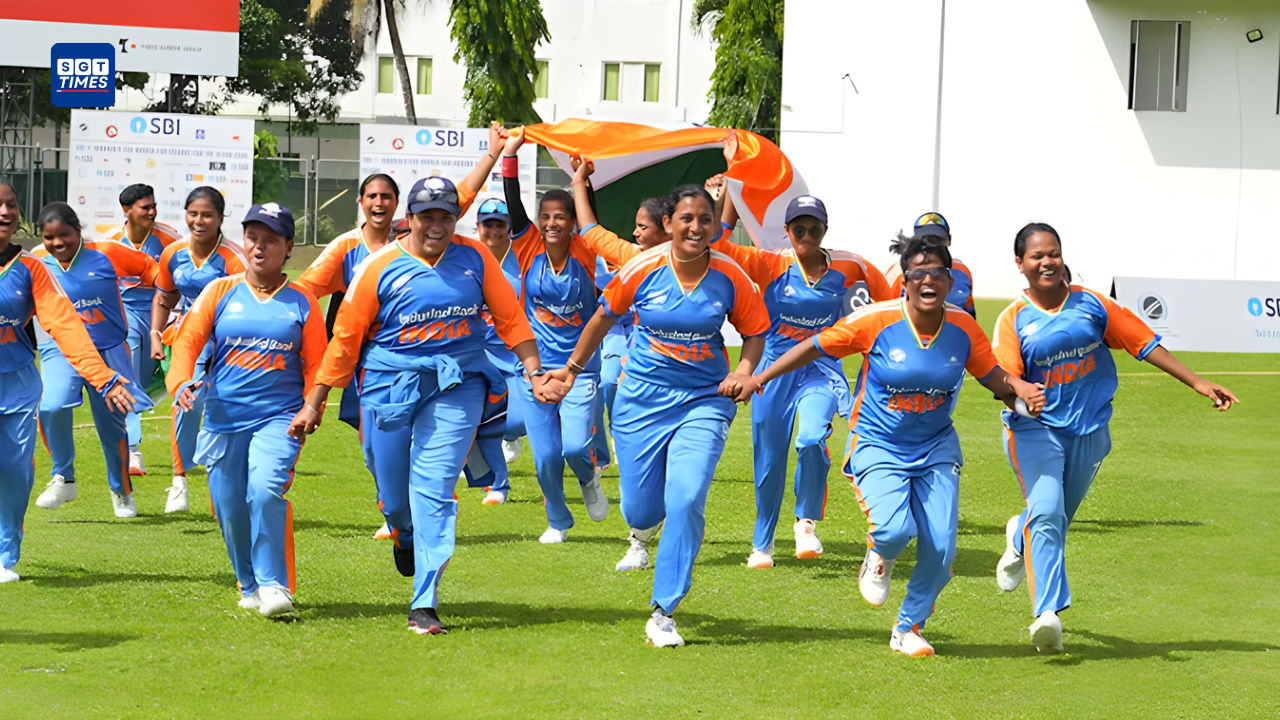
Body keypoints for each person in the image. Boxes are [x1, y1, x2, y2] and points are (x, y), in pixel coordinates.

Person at [740, 236, 1045, 658]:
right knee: (895, 528)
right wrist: (760, 377)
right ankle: (878, 554)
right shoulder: (875, 320)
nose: (928, 279)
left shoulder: (963, 329)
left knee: (941, 550)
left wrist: (1018, 389)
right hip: (878, 444)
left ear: (949, 279)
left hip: (936, 447)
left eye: (938, 272)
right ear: (904, 280)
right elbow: (814, 346)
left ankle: (908, 628)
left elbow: (991, 375)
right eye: (918, 271)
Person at [292, 176, 547, 635]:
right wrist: (316, 401)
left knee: (434, 488)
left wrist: (534, 371)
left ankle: (424, 601)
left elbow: (510, 317)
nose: (436, 225)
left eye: (445, 216)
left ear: (456, 218)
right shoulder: (378, 265)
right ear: (408, 218)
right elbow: (346, 338)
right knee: (391, 490)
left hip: (458, 383)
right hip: (389, 383)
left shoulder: (475, 258)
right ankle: (402, 532)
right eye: (426, 216)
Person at [991, 222, 1238, 654]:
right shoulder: (1013, 319)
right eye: (1036, 256)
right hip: (1035, 431)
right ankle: (1047, 615)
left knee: (1053, 519)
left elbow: (1143, 343)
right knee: (1047, 513)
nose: (1047, 261)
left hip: (1089, 430)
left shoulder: (1093, 305)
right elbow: (1001, 377)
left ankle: (1018, 535)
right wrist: (1020, 391)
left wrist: (1197, 382)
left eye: (1053, 253)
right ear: (1020, 264)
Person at [543, 183, 771, 648]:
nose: (696, 227)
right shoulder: (641, 266)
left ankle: (664, 611)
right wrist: (569, 371)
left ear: (715, 226)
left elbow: (755, 331)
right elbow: (604, 319)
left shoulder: (729, 272)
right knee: (642, 508)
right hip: (641, 400)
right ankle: (642, 531)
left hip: (705, 400)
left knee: (686, 498)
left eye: (705, 219)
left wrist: (745, 371)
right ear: (668, 224)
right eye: (686, 218)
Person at [297, 124, 505, 530]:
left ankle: (418, 506)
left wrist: (492, 154)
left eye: (386, 196)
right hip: (371, 365)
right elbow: (306, 289)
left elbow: (458, 198)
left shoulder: (421, 237)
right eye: (372, 196)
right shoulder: (346, 247)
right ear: (361, 203)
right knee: (375, 448)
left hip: (431, 362)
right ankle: (393, 507)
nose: (379, 202)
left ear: (398, 208)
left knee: (428, 439)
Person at [714, 187, 895, 569]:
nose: (807, 238)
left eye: (815, 230)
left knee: (812, 437)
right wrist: (729, 193)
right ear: (787, 230)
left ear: (825, 231)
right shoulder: (771, 264)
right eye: (799, 230)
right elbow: (717, 241)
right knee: (768, 460)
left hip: (821, 368)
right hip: (773, 370)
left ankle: (805, 522)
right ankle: (762, 545)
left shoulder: (851, 266)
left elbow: (889, 302)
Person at [169, 203, 325, 617]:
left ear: (288, 247)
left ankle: (275, 585)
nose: (259, 247)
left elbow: (317, 364)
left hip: (279, 417)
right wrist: (181, 381)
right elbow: (187, 342)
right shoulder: (220, 291)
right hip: (223, 418)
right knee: (229, 506)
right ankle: (248, 581)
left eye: (270, 240)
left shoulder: (303, 303)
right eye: (253, 237)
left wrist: (312, 406)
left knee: (264, 490)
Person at [0, 184, 135, 583]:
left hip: (18, 386)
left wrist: (105, 378)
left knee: (13, 468)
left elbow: (65, 326)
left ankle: (5, 553)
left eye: (10, 205)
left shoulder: (30, 269)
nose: (4, 212)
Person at [501, 130, 611, 543]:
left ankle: (589, 478)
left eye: (559, 217)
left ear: (571, 223)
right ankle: (559, 521)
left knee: (573, 450)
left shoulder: (585, 250)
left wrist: (582, 181)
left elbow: (592, 222)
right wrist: (509, 156)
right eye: (544, 216)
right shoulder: (527, 247)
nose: (550, 223)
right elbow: (513, 208)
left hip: (579, 370)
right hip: (535, 370)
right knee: (546, 456)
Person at [569, 158, 673, 571]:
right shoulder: (630, 257)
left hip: (684, 383)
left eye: (642, 226)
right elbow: (591, 231)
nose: (634, 232)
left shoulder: (705, 264)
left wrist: (730, 188)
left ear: (666, 227)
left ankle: (667, 536)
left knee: (681, 475)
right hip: (628, 351)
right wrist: (579, 181)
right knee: (611, 382)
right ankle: (606, 452)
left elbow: (716, 227)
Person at [30, 203, 158, 517]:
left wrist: (165, 310)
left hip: (110, 352)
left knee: (113, 427)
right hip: (61, 352)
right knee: (50, 405)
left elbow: (153, 272)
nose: (58, 243)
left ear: (78, 230)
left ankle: (121, 491)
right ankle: (64, 476)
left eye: (65, 235)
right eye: (50, 237)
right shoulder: (35, 262)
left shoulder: (107, 252)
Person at [151, 187, 246, 514]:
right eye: (194, 214)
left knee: (223, 410)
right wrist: (154, 333)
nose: (199, 221)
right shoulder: (172, 253)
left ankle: (227, 486)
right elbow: (164, 297)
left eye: (208, 215)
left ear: (221, 218)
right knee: (185, 401)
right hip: (185, 338)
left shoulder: (234, 259)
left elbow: (245, 307)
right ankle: (179, 481)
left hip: (224, 340)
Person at [104, 184, 182, 475]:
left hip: (162, 316)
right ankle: (133, 450)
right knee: (130, 376)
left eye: (153, 206)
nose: (152, 212)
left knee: (150, 377)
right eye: (145, 207)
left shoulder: (169, 240)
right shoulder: (111, 241)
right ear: (126, 211)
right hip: (124, 316)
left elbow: (179, 280)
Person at [459, 197, 527, 506]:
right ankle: (499, 484)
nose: (494, 230)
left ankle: (509, 441)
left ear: (510, 228)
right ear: (478, 227)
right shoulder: (466, 262)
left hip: (514, 359)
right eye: (488, 224)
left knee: (513, 423)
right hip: (476, 359)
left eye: (500, 224)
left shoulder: (522, 264)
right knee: (479, 422)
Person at [886, 213, 976, 318]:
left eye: (938, 240)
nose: (932, 246)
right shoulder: (898, 272)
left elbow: (970, 317)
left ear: (949, 240)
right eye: (926, 240)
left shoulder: (962, 272)